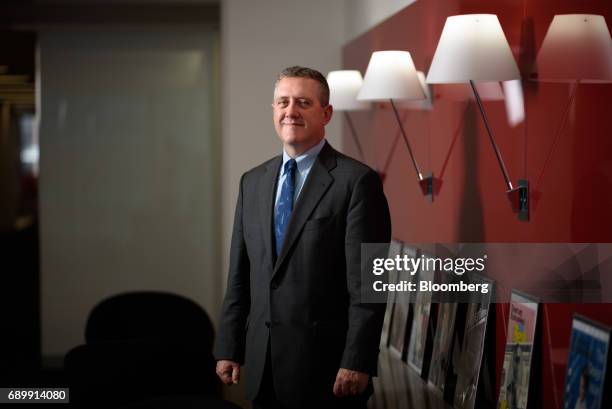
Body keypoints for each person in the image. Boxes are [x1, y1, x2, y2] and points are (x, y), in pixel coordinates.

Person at [214, 66, 391, 409]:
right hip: (262, 367)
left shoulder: (357, 183)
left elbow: (368, 285)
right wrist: (228, 347)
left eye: (303, 102)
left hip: (327, 373)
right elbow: (239, 275)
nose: (290, 111)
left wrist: (357, 359)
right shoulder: (252, 182)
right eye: (283, 102)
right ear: (273, 110)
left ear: (326, 113)